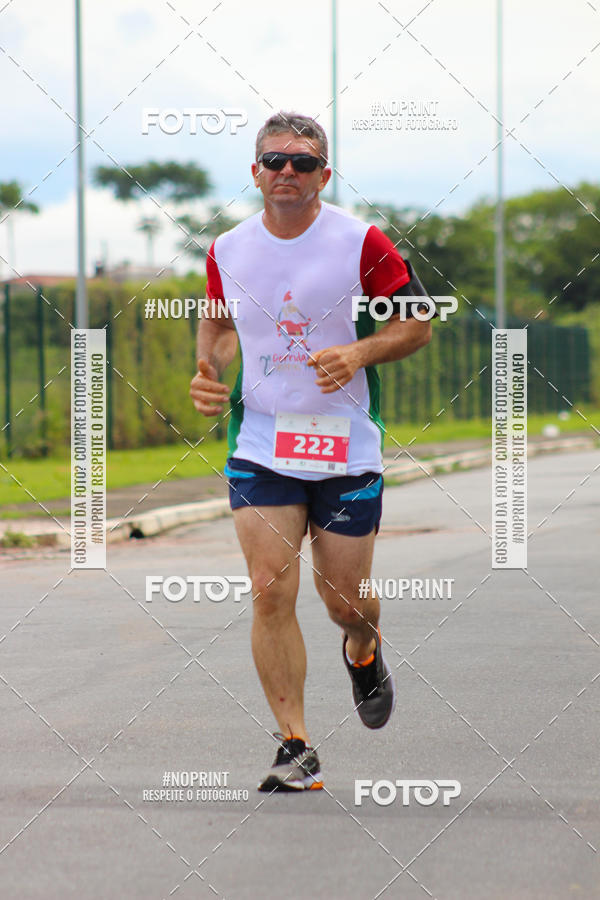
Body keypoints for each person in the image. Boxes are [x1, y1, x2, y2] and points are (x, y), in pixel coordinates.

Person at [190, 111, 432, 792]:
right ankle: (294, 745)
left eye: (302, 162)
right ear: (255, 171)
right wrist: (209, 369)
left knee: (343, 601)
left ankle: (363, 648)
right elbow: (219, 313)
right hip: (262, 441)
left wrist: (359, 350)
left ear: (325, 173)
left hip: (345, 446)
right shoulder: (229, 247)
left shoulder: (362, 241)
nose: (287, 173)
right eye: (274, 161)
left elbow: (418, 322)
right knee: (270, 589)